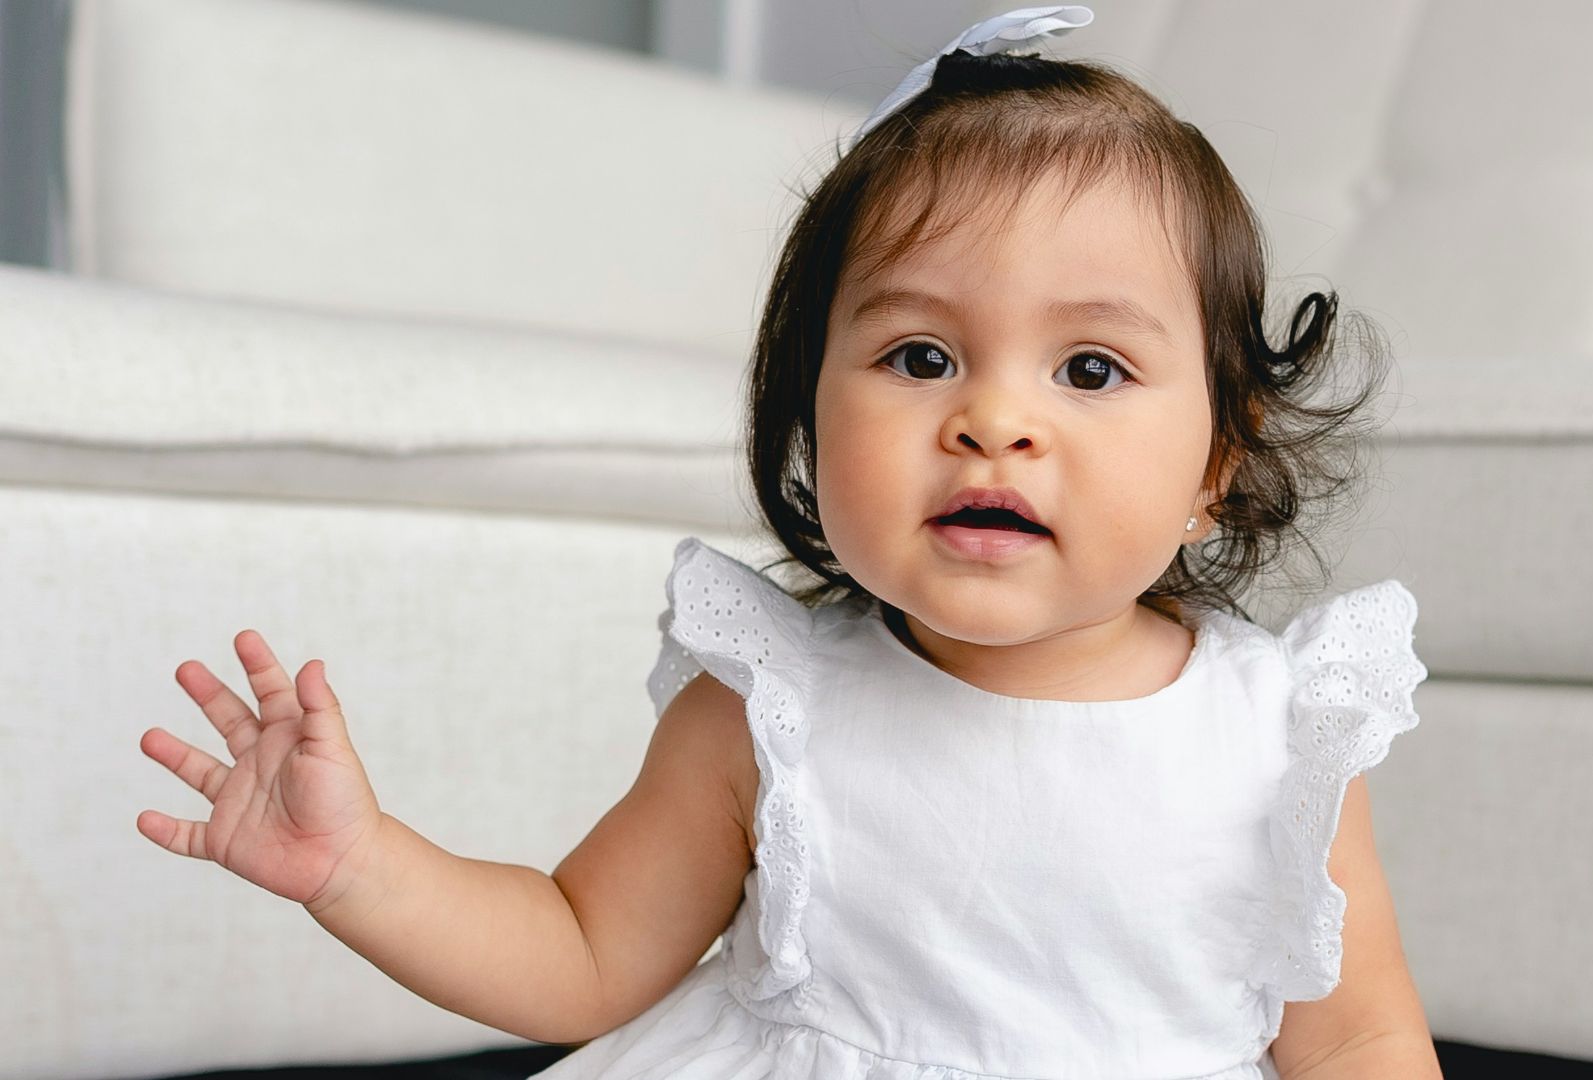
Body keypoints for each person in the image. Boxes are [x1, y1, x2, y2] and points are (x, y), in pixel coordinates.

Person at [135, 7, 1443, 1077]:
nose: (994, 419)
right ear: (810, 416)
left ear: (1217, 464)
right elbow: (581, 949)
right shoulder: (767, 711)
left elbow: (1357, 1039)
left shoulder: (1278, 729)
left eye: (1090, 369)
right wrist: (361, 866)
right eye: (920, 357)